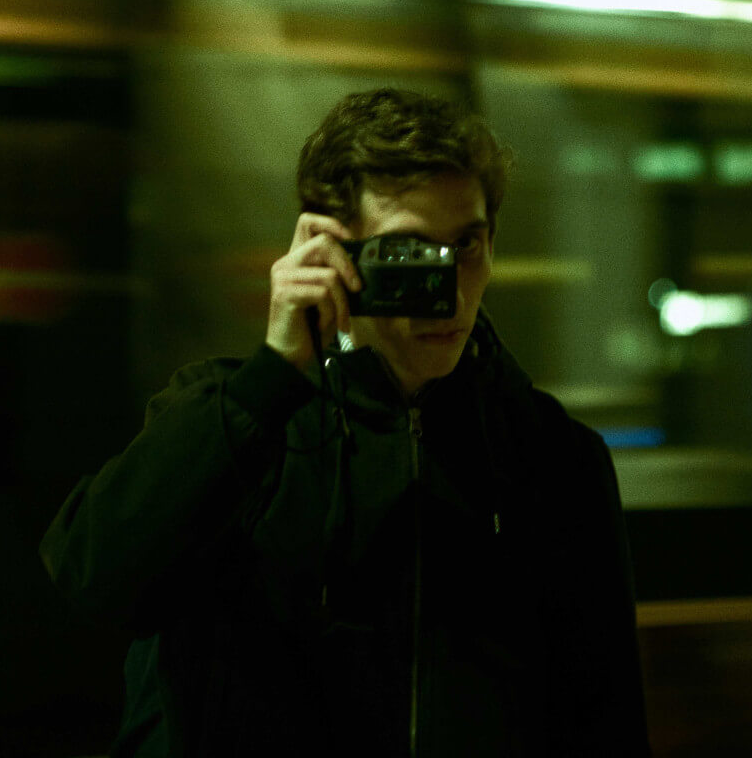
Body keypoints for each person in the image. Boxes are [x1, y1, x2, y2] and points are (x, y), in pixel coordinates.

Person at [40, 88, 650, 756]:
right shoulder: (239, 423)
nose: (449, 289)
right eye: (409, 253)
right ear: (333, 253)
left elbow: (607, 715)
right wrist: (271, 379)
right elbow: (94, 579)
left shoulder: (553, 457)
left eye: (466, 245)